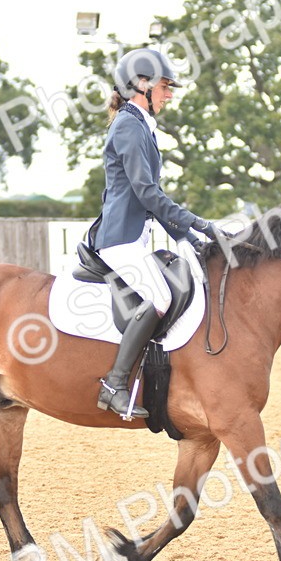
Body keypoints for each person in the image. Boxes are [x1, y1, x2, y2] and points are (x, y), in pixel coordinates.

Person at [92, 48, 221, 419]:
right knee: (159, 297)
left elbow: (151, 198)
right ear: (141, 85)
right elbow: (146, 193)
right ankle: (114, 384)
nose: (170, 94)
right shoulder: (129, 125)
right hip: (118, 238)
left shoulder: (140, 124)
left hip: (133, 236)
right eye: (166, 86)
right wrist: (198, 222)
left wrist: (186, 237)